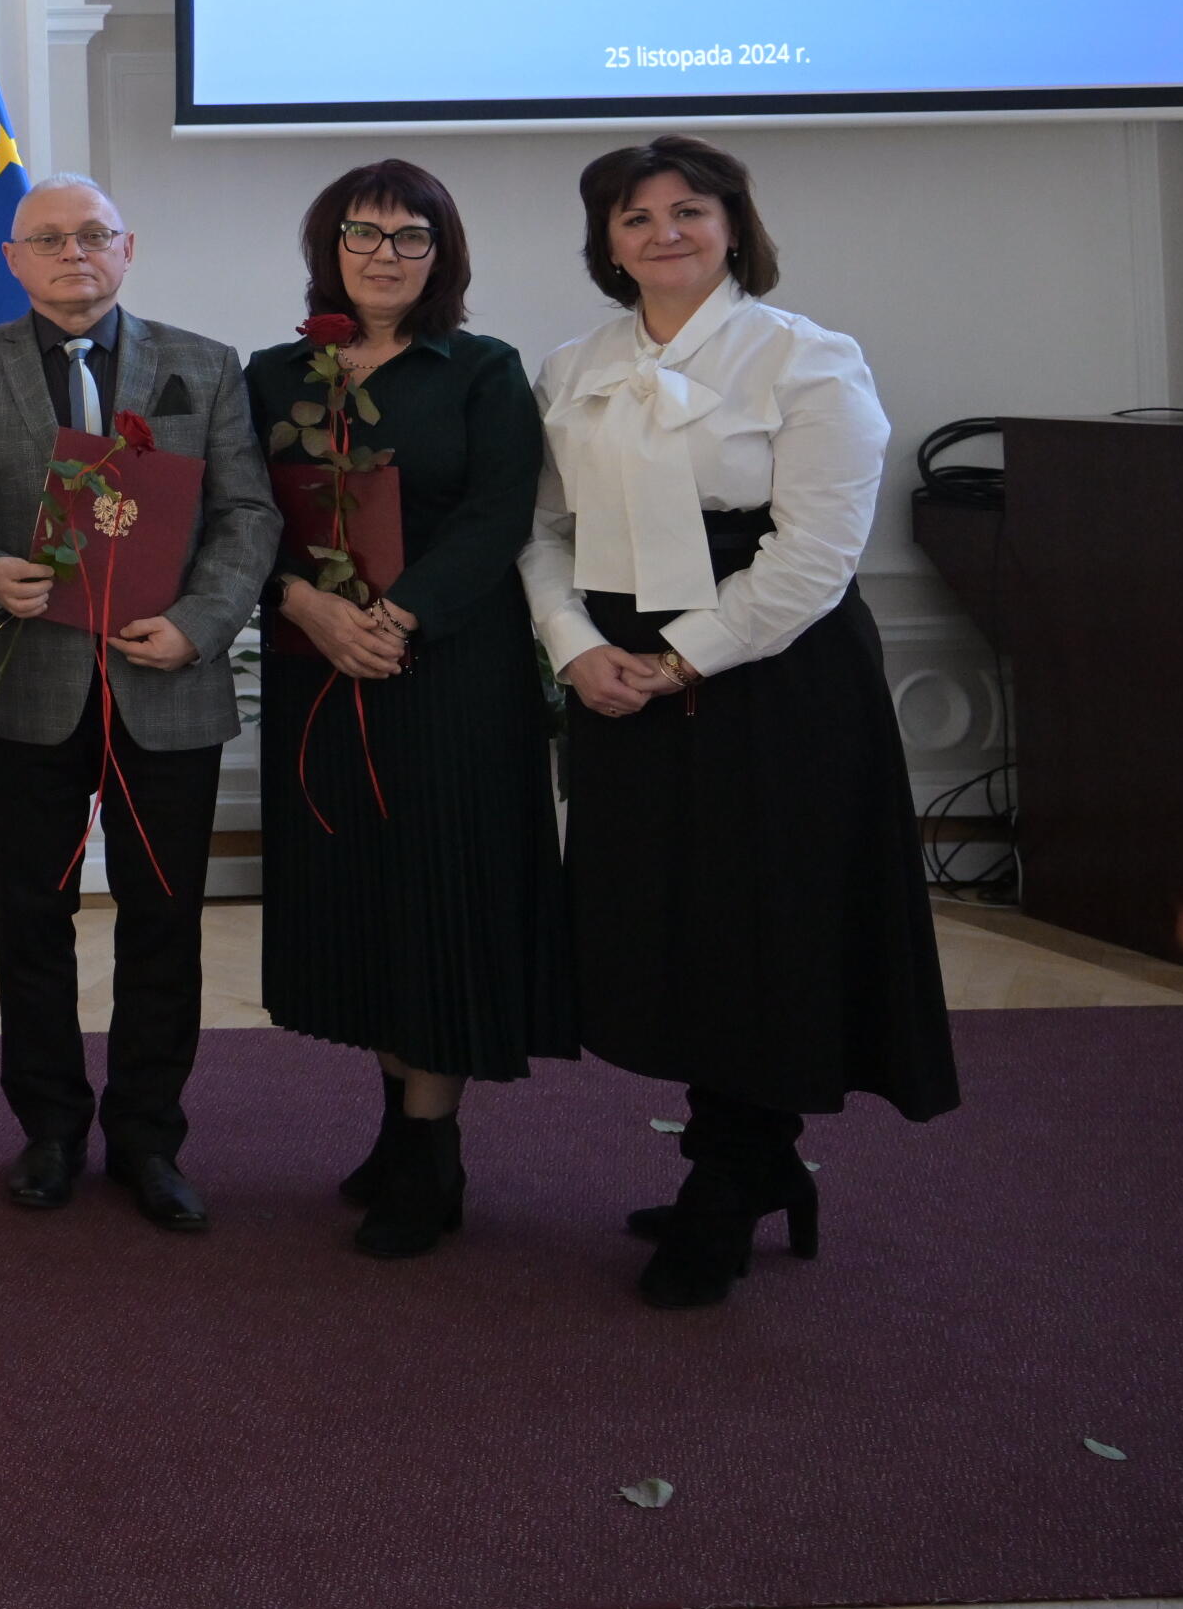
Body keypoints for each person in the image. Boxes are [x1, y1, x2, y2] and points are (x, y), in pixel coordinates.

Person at [522, 135, 956, 1308]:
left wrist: (685, 660)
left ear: (732, 226)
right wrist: (576, 647)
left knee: (764, 922)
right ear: (607, 243)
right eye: (634, 216)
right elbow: (541, 530)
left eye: (688, 210)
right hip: (618, 676)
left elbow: (817, 554)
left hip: (775, 677)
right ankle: (747, 1157)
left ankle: (733, 1171)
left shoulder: (809, 358)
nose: (663, 232)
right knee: (664, 922)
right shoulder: (571, 365)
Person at [0, 174, 278, 1235]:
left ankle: (150, 1137)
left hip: (167, 682)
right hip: (28, 686)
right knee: (34, 920)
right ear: (13, 259)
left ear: (128, 248)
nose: (72, 254)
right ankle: (50, 1130)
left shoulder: (206, 365)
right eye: (48, 239)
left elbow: (248, 515)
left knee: (163, 920)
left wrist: (201, 623)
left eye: (92, 235)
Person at [243, 163, 572, 1263]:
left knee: (440, 901)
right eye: (362, 233)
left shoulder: (482, 369)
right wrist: (304, 604)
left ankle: (432, 1151)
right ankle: (396, 1128)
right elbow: (244, 519)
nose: (384, 254)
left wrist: (396, 617)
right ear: (327, 247)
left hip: (452, 674)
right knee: (365, 900)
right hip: (318, 669)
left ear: (443, 254)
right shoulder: (273, 374)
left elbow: (497, 516)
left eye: (409, 236)